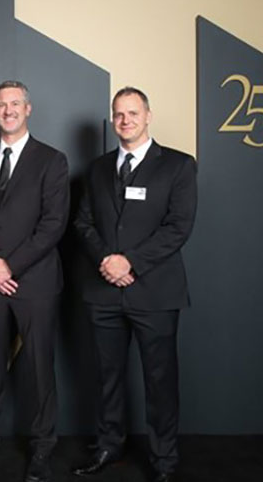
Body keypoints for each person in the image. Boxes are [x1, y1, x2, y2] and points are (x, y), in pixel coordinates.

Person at [72, 87, 197, 482]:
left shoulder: (178, 165)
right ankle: (109, 446)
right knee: (107, 376)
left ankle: (164, 461)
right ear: (112, 120)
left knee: (160, 380)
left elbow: (178, 227)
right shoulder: (97, 168)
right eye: (118, 114)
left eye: (133, 113)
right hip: (103, 290)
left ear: (148, 116)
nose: (125, 120)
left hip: (155, 291)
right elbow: (83, 222)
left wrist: (132, 262)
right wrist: (107, 262)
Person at [0, 81, 70, 482]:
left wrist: (10, 266)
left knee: (39, 367)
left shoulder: (52, 161)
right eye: (1, 105)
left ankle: (41, 447)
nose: (8, 110)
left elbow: (53, 224)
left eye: (15, 104)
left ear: (28, 108)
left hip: (33, 282)